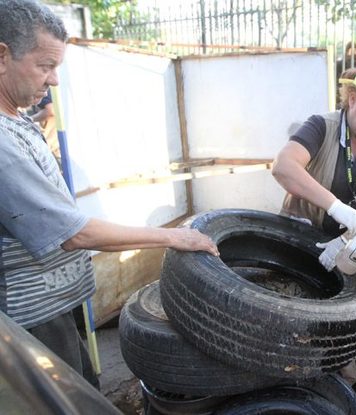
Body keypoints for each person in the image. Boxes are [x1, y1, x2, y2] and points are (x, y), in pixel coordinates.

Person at [0, 0, 219, 387]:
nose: (53, 81)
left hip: (53, 303)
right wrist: (174, 236)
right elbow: (74, 234)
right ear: (2, 56)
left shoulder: (17, 118)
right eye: (45, 66)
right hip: (29, 313)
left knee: (84, 386)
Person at [272, 67, 356, 393]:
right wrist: (334, 207)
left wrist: (354, 234)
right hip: (314, 234)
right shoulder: (321, 126)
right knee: (328, 308)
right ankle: (340, 380)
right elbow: (283, 166)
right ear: (352, 99)